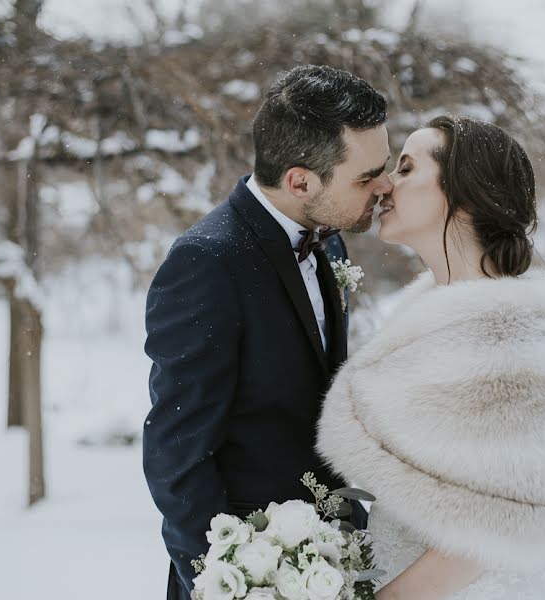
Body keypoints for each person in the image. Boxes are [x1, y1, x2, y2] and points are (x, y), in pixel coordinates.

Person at [142, 64, 394, 600]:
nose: (386, 186)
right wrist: (227, 582)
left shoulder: (329, 241)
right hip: (250, 574)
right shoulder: (206, 263)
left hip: (330, 564)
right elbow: (177, 456)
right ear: (301, 180)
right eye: (367, 176)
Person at [317, 116, 545, 599]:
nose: (384, 186)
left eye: (405, 169)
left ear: (464, 195)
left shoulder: (514, 333)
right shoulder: (435, 316)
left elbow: (498, 526)